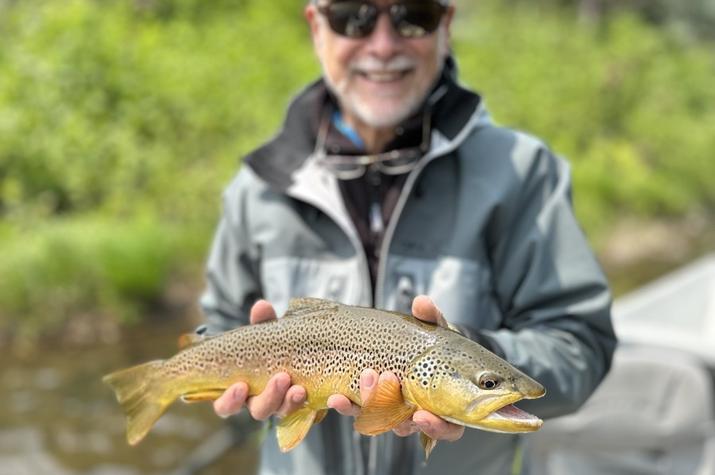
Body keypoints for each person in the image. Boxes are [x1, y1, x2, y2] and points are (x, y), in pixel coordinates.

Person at [198, 0, 617, 474]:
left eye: (412, 15)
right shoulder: (259, 187)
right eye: (352, 17)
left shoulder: (522, 174)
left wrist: (472, 349)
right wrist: (241, 384)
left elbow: (581, 348)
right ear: (316, 27)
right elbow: (217, 329)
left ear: (447, 25)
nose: (382, 44)